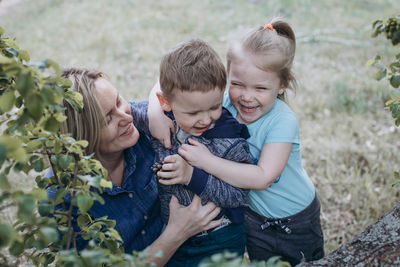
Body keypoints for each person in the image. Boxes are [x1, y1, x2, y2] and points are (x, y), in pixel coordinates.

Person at [149, 19, 324, 266]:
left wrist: (207, 161)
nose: (247, 96)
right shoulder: (223, 103)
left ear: (282, 84)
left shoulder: (283, 121)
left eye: (261, 88)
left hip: (293, 217)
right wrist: (154, 111)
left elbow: (262, 177)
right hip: (251, 214)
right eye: (237, 84)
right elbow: (167, 83)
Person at [47, 68, 222, 267]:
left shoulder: (145, 123)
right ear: (82, 137)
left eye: (119, 101)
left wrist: (155, 108)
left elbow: (180, 82)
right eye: (108, 119)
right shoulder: (64, 199)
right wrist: (177, 232)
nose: (127, 118)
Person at [132, 39, 254, 266]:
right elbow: (118, 114)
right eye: (194, 112)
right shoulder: (161, 118)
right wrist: (152, 112)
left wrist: (192, 176)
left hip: (219, 238)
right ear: (165, 103)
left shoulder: (228, 138)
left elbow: (239, 195)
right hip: (171, 238)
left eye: (214, 107)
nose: (206, 119)